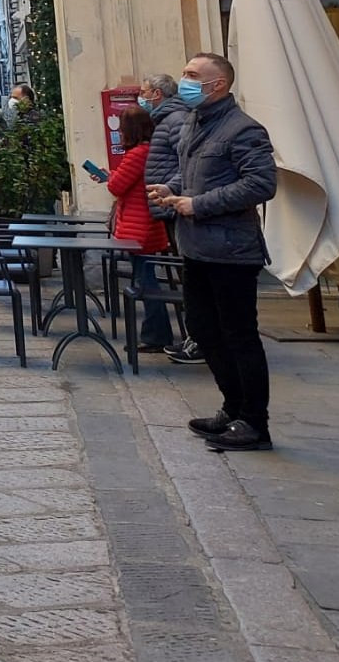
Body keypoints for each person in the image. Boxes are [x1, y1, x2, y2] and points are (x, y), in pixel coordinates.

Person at [146, 52, 279, 452]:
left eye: (191, 75)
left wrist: (198, 204)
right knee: (203, 331)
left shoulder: (243, 129)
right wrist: (172, 188)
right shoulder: (194, 123)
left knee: (239, 335)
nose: (183, 80)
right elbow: (191, 173)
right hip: (197, 247)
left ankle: (255, 422)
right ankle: (232, 408)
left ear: (217, 84)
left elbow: (261, 184)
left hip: (231, 250)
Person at [90, 105, 173, 352]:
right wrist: (112, 175)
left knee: (145, 282)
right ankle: (157, 333)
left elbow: (118, 187)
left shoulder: (137, 153)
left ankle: (156, 335)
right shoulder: (151, 151)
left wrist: (111, 178)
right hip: (147, 224)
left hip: (138, 227)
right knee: (145, 279)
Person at [140, 73, 201, 363]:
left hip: (175, 206)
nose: (141, 98)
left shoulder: (175, 119)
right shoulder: (166, 120)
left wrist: (172, 189)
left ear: (157, 94)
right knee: (185, 273)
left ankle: (199, 338)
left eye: (144, 92)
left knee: (189, 274)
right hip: (168, 205)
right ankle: (195, 336)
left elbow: (189, 160)